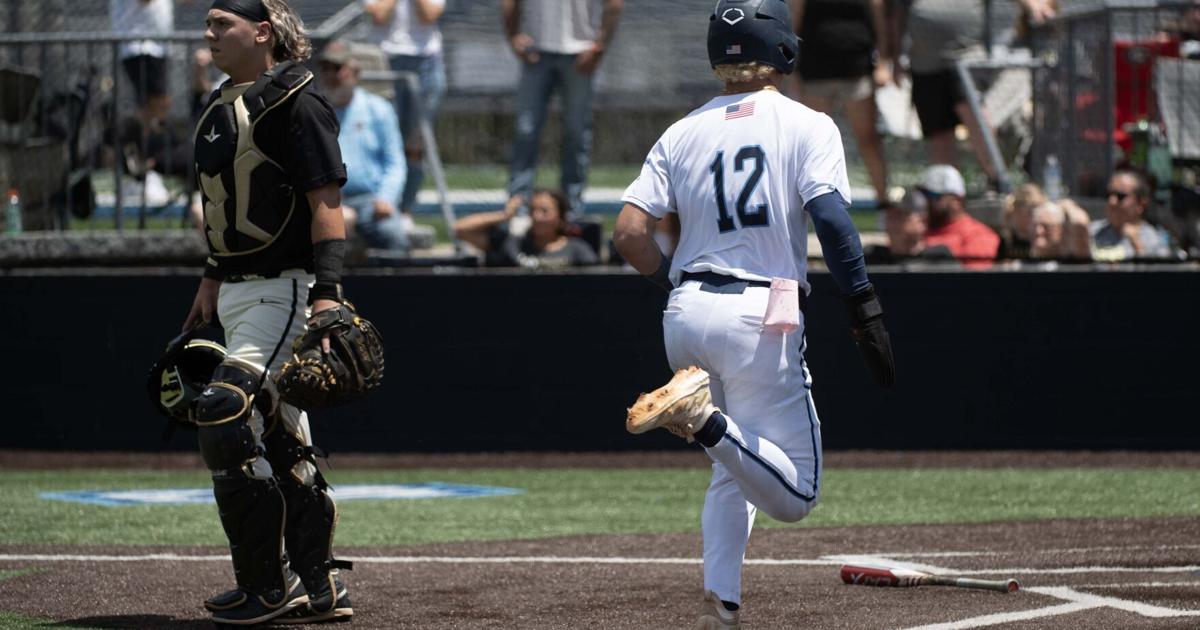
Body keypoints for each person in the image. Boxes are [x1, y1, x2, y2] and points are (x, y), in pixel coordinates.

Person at [612, 2, 894, 626]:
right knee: (797, 495)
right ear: (784, 47)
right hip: (760, 310)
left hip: (685, 310)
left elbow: (629, 233)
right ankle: (702, 419)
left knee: (734, 464)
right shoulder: (808, 123)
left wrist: (675, 282)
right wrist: (864, 306)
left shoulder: (680, 130)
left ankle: (723, 602)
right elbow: (832, 221)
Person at [183, 0, 353, 624]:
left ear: (261, 32)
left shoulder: (296, 100)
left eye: (221, 24)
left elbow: (325, 203)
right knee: (281, 437)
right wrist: (212, 274)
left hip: (285, 289)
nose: (209, 34)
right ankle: (319, 585)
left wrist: (328, 293)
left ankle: (266, 586)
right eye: (208, 24)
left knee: (224, 412)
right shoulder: (223, 101)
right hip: (239, 288)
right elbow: (228, 202)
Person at [890, 0, 1055, 186]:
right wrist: (894, 59)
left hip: (966, 57)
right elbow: (897, 13)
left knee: (978, 122)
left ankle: (998, 183)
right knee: (940, 135)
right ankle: (947, 192)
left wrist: (1032, 5)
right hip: (925, 63)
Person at [501, 0, 625, 214]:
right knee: (526, 130)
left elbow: (615, 3)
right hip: (536, 50)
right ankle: (517, 208)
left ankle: (571, 210)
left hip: (580, 50)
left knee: (576, 133)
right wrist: (512, 34)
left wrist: (599, 44)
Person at [790, 0, 891, 206]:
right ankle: (811, 206)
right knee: (812, 143)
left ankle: (884, 204)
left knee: (869, 139)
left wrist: (883, 62)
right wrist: (792, 72)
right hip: (815, 72)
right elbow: (793, 24)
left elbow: (880, 20)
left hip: (857, 70)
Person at [318, 40, 410, 252]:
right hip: (328, 200)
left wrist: (386, 198)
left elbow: (395, 162)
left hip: (371, 201)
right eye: (325, 68)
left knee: (393, 235)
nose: (330, 75)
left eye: (337, 68)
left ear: (355, 72)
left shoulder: (379, 109)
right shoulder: (314, 112)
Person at [362, 0, 447, 219]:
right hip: (385, 58)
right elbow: (379, 15)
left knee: (416, 142)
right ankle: (379, 206)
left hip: (426, 62)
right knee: (383, 139)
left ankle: (406, 210)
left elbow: (429, 15)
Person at [453, 189, 599, 268]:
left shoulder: (578, 250)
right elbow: (460, 229)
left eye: (544, 211)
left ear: (560, 218)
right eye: (533, 210)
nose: (537, 217)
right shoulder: (511, 245)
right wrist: (504, 215)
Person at [917, 164, 1000, 268]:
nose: (925, 202)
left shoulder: (978, 237)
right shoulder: (914, 231)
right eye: (921, 195)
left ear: (956, 201)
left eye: (932, 196)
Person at [1090, 167, 1176, 261]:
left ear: (1141, 205)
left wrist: (1136, 244)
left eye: (1120, 196)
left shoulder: (1155, 241)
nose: (1112, 202)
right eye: (1108, 195)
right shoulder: (1092, 232)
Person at [865, 188, 956, 264]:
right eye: (889, 216)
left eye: (899, 216)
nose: (892, 223)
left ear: (922, 221)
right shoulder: (870, 257)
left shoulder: (938, 260)